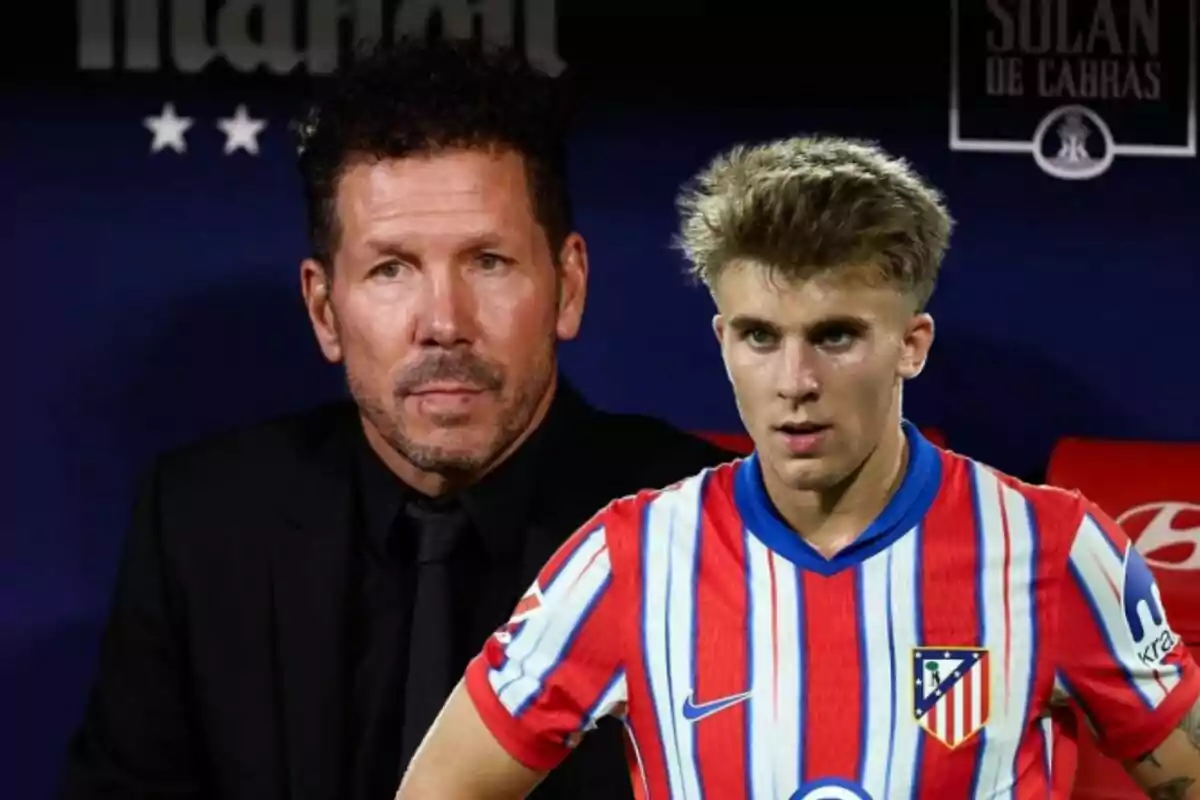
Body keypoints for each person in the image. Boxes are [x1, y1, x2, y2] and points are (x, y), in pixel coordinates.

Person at [395, 136, 1200, 799]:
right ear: (722, 342)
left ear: (910, 345)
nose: (795, 382)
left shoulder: (1055, 550)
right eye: (759, 336)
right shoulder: (629, 560)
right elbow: (442, 788)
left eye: (836, 336)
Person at [59, 38, 733, 800]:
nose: (444, 322)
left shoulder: (706, 534)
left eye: (488, 261)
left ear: (567, 287)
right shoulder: (201, 524)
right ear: (324, 310)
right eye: (391, 269)